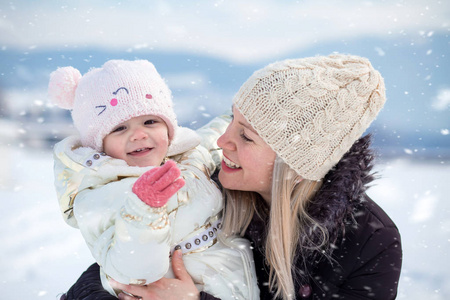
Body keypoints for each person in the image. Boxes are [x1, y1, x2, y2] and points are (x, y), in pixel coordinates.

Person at [65, 53, 403, 300]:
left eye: (246, 136)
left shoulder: (369, 243)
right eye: (231, 121)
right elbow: (104, 272)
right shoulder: (206, 184)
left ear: (294, 165)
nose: (223, 140)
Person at [49, 60, 259, 300]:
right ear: (99, 146)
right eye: (120, 128)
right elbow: (135, 271)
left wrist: (240, 117)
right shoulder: (101, 196)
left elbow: (213, 140)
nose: (139, 134)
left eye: (150, 121)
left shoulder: (186, 156)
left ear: (169, 129)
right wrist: (143, 211)